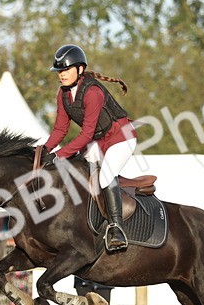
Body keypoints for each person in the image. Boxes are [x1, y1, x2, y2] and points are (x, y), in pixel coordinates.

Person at [43, 44, 138, 252]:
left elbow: (86, 134)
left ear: (79, 69)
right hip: (98, 140)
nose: (62, 75)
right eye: (59, 71)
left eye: (66, 70)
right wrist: (44, 150)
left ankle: (116, 229)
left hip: (121, 138)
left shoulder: (92, 92)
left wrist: (59, 154)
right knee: (79, 171)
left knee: (105, 177)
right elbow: (60, 129)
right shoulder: (63, 94)